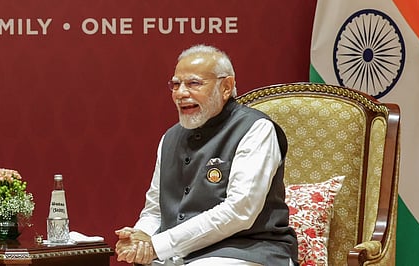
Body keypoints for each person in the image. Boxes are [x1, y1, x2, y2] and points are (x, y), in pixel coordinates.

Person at [115, 45, 297, 266]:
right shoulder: (170, 138)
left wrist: (159, 245)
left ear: (226, 87)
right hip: (180, 254)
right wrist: (140, 238)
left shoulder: (256, 129)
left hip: (248, 250)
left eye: (194, 83)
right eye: (176, 84)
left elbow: (240, 210)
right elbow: (154, 209)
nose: (181, 93)